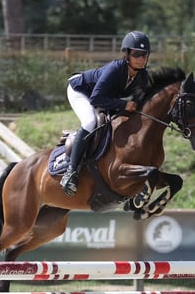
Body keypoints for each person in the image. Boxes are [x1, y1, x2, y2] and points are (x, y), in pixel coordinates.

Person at [60, 30, 151, 196]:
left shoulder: (142, 76)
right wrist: (124, 104)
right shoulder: (116, 69)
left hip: (103, 97)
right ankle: (70, 173)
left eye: (144, 55)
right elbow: (96, 99)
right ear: (127, 55)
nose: (141, 58)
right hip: (80, 91)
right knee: (90, 122)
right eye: (137, 54)